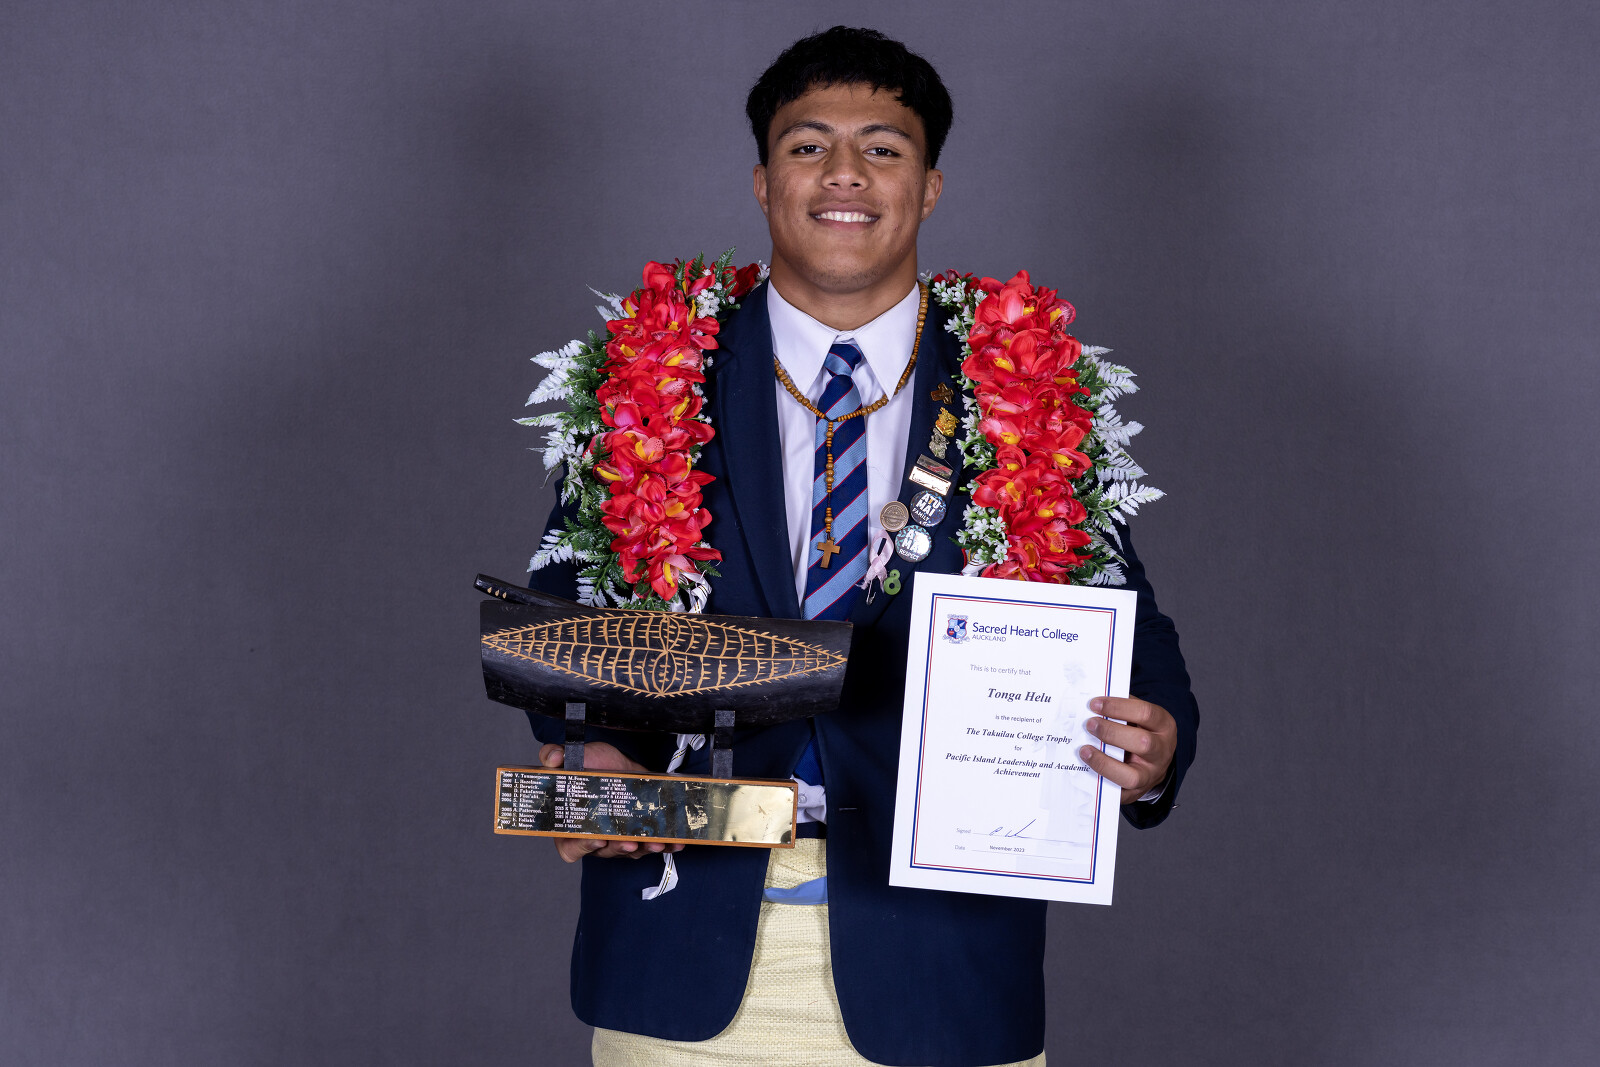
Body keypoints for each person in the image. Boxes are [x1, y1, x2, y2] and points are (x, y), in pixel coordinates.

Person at [524, 26, 1198, 1067]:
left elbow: (1130, 640)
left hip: (942, 973)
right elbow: (572, 620)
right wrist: (588, 759)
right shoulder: (647, 371)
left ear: (928, 188)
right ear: (763, 182)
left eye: (882, 148)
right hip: (681, 950)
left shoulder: (1029, 385)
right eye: (809, 146)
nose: (844, 172)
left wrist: (1152, 751)